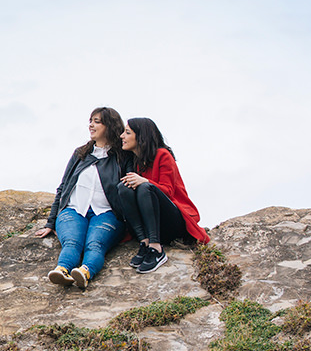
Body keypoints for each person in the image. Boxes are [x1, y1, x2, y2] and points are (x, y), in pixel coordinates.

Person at [33, 107, 128, 290]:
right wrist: (50, 222)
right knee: (72, 242)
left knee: (95, 244)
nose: (91, 125)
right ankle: (62, 270)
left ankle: (84, 272)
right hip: (74, 209)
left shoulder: (122, 157)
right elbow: (63, 187)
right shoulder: (81, 153)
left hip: (107, 213)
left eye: (97, 121)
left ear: (110, 125)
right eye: (90, 121)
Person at [116, 117, 210, 274]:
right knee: (124, 187)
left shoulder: (163, 155)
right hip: (151, 222)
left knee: (145, 187)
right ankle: (144, 243)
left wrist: (145, 180)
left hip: (173, 222)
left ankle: (156, 248)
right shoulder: (137, 161)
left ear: (140, 136)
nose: (121, 136)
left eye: (127, 132)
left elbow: (167, 191)